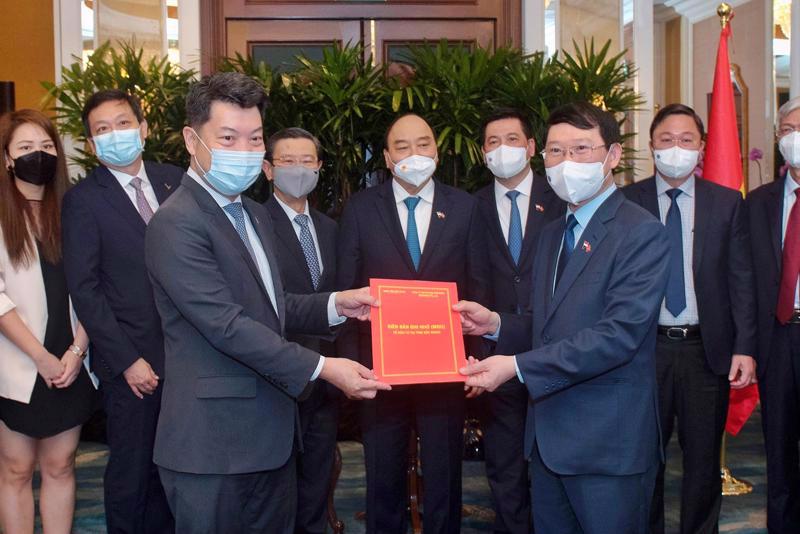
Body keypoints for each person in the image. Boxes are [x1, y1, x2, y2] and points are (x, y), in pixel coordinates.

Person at [144, 71, 390, 533]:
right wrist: (323, 368)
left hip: (271, 439)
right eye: (228, 138)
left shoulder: (253, 213)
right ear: (191, 140)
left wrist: (338, 303)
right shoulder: (176, 223)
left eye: (254, 138)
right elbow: (226, 325)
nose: (245, 150)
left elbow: (272, 307)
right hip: (213, 447)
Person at [456, 101, 670, 534]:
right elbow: (548, 323)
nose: (566, 163)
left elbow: (617, 336)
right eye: (556, 152)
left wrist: (515, 366)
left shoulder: (640, 231)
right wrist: (495, 323)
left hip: (608, 448)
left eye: (582, 149)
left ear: (612, 156)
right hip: (548, 442)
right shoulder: (554, 232)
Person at [337, 112, 490, 534]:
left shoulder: (465, 208)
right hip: (379, 372)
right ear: (387, 158)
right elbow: (345, 290)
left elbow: (478, 286)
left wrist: (477, 360)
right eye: (402, 147)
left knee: (445, 480)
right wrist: (353, 365)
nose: (414, 154)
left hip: (446, 370)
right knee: (381, 478)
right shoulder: (361, 209)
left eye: (423, 144)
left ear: (437, 152)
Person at [622, 103, 756, 534]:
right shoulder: (627, 201)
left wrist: (745, 348)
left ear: (700, 148)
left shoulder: (726, 203)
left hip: (705, 351)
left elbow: (741, 280)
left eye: (686, 140)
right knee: (646, 459)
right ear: (651, 147)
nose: (675, 148)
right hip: (645, 352)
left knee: (702, 464)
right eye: (666, 140)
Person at [62, 89, 183, 534]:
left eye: (123, 123)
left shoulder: (176, 181)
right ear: (91, 145)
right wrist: (127, 360)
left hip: (188, 356)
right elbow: (86, 289)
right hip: (132, 363)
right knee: (132, 475)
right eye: (102, 130)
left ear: (144, 127)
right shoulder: (83, 200)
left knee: (177, 473)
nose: (116, 134)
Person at [0, 109, 98, 534]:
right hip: (19, 360)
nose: (36, 156)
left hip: (72, 355)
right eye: (24, 148)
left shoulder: (74, 210)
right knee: (17, 469)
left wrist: (77, 350)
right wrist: (41, 357)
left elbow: (97, 285)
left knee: (60, 465)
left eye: (45, 147)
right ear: (7, 159)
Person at [474, 107, 564, 534]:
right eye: (493, 142)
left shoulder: (564, 199)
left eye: (513, 140)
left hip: (554, 352)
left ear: (531, 147)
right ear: (482, 153)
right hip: (493, 357)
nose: (503, 149)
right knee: (504, 464)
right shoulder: (467, 208)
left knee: (555, 460)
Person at [262, 127, 340, 534]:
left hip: (326, 377)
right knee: (276, 489)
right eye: (287, 161)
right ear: (268, 169)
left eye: (307, 161)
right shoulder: (253, 225)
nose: (299, 169)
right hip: (276, 376)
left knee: (316, 481)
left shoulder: (331, 228)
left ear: (319, 168)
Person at [748, 95, 800, 533]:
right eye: (789, 131)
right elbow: (744, 280)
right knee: (779, 448)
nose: (796, 138)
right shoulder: (758, 202)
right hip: (778, 337)